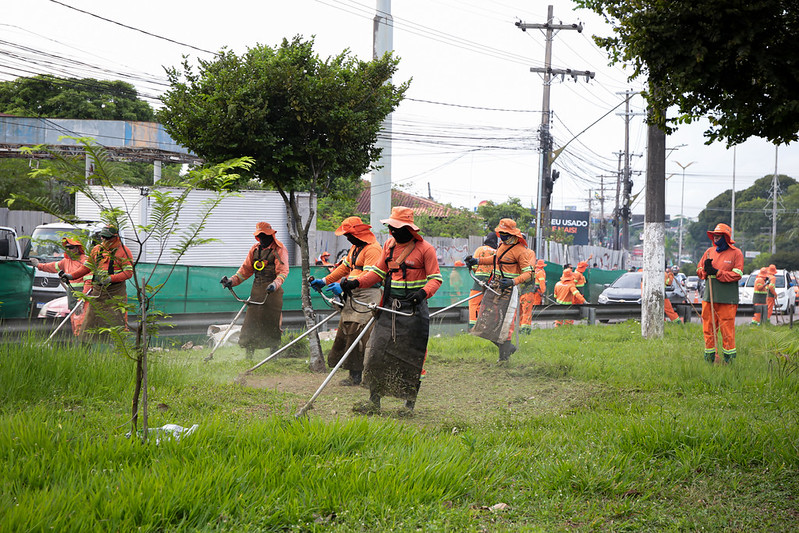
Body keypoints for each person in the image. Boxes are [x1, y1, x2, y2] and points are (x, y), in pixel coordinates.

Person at [340, 207, 442, 416]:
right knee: (376, 352)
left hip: (413, 310)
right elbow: (377, 273)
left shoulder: (425, 249)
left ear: (408, 228)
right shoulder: (388, 246)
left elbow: (436, 279)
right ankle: (374, 402)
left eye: (396, 227)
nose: (392, 231)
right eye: (390, 227)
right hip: (388, 308)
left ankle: (408, 405)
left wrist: (423, 293)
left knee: (411, 357)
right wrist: (356, 282)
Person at [309, 216, 382, 386]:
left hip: (367, 296)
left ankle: (368, 377)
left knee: (363, 336)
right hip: (353, 295)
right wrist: (325, 281)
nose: (347, 238)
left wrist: (344, 286)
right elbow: (344, 268)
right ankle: (353, 375)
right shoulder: (355, 248)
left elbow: (371, 276)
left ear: (359, 233)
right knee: (349, 333)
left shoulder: (373, 250)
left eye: (349, 234)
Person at [465, 218, 535, 361]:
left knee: (505, 324)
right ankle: (507, 349)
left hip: (509, 291)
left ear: (513, 234)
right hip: (494, 287)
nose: (502, 235)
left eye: (505, 233)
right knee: (485, 322)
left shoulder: (521, 251)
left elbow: (529, 273)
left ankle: (504, 358)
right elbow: (495, 259)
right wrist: (476, 261)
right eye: (500, 232)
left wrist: (512, 281)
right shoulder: (502, 246)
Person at [221, 222, 289, 358]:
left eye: (265, 236)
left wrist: (275, 285)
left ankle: (273, 356)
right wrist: (231, 281)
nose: (262, 239)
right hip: (256, 292)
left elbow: (283, 271)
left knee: (272, 324)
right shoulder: (255, 250)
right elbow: (244, 271)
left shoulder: (279, 249)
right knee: (251, 324)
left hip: (273, 293)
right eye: (260, 236)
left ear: (271, 235)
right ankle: (249, 356)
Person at [63, 226, 133, 337]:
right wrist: (71, 276)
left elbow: (129, 273)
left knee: (116, 322)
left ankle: (117, 349)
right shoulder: (96, 250)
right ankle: (84, 348)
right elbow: (86, 268)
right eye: (103, 237)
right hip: (97, 293)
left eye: (108, 238)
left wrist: (111, 278)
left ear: (116, 237)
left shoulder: (124, 251)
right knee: (89, 323)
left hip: (115, 294)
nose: (105, 240)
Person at [696, 223, 744, 364]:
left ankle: (729, 361)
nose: (716, 237)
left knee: (727, 330)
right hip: (709, 297)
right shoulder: (709, 252)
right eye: (714, 235)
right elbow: (699, 270)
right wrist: (705, 270)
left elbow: (737, 274)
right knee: (708, 329)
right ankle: (711, 359)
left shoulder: (736, 253)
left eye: (719, 235)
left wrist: (717, 273)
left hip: (727, 299)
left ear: (726, 237)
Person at [31, 236, 91, 335]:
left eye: (71, 247)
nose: (68, 249)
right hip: (72, 297)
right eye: (67, 247)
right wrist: (38, 265)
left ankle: (83, 345)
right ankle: (78, 345)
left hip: (82, 298)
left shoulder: (85, 261)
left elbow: (88, 283)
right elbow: (52, 266)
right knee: (74, 322)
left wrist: (82, 301)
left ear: (78, 248)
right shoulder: (65, 261)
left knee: (82, 323)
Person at [467, 232, 498, 330]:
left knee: (474, 302)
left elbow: (474, 265)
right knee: (488, 304)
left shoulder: (480, 249)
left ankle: (473, 326)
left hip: (479, 280)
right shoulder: (497, 252)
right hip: (493, 280)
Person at [519, 258, 547, 333]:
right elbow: (542, 283)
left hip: (523, 293)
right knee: (529, 309)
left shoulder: (529, 271)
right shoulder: (540, 272)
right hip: (534, 292)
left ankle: (520, 327)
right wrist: (543, 291)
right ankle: (525, 329)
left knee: (521, 311)